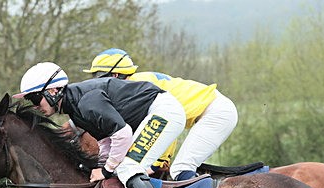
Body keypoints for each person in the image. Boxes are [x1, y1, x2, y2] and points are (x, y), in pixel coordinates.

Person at [15, 62, 187, 188]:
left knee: (128, 167)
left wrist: (106, 170)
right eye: (30, 101)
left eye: (36, 98)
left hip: (164, 112)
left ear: (53, 91)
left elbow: (122, 134)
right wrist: (101, 167)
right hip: (152, 114)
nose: (35, 106)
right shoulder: (75, 110)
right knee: (119, 167)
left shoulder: (86, 102)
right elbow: (106, 142)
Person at [84, 48, 238, 181]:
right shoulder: (134, 85)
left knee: (180, 168)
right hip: (211, 110)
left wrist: (159, 162)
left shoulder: (135, 89)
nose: (96, 82)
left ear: (116, 75)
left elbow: (165, 123)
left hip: (216, 112)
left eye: (99, 76)